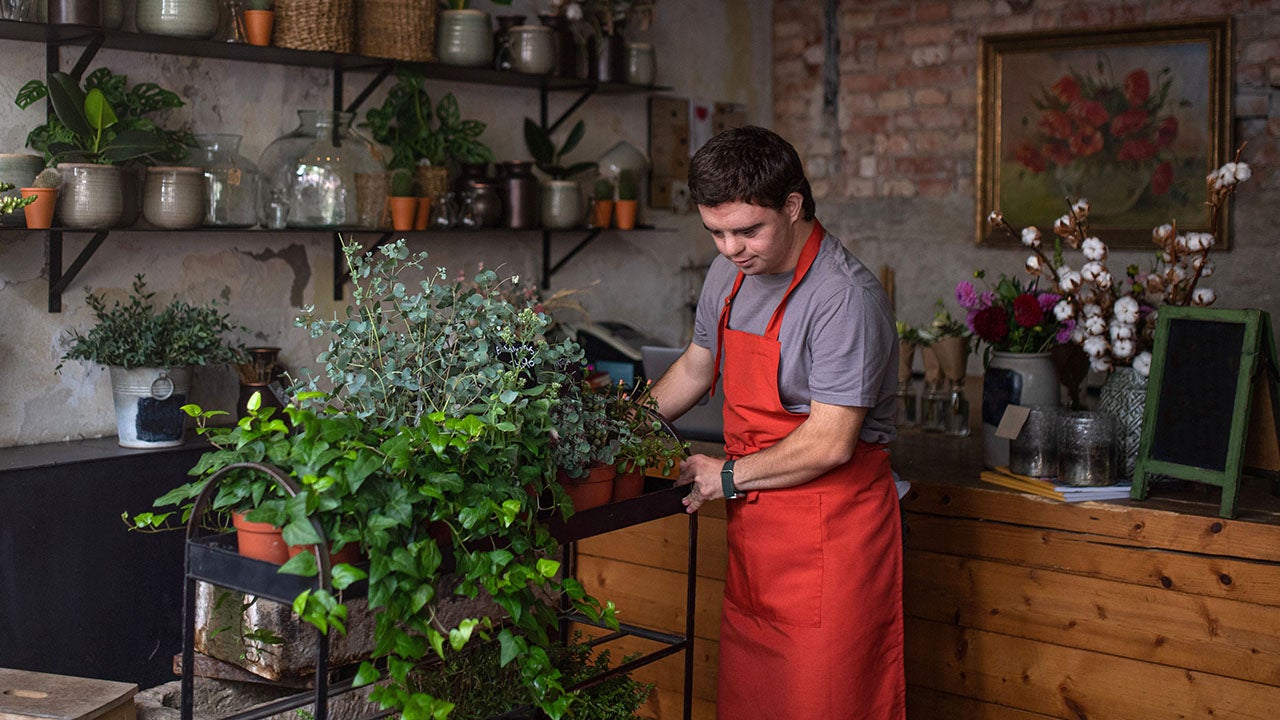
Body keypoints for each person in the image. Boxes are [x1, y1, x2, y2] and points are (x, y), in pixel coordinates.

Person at [649, 125, 904, 719]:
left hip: (833, 535)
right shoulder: (730, 273)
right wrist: (619, 424)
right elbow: (696, 365)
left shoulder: (843, 297)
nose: (731, 249)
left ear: (793, 207)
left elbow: (832, 440)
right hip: (759, 535)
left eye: (747, 231)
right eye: (715, 232)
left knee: (825, 703)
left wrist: (728, 476)